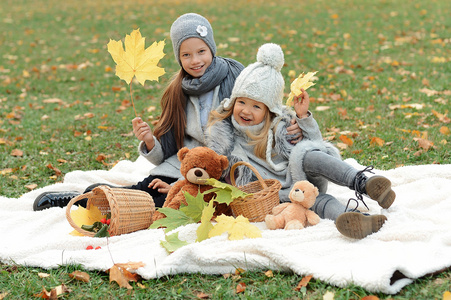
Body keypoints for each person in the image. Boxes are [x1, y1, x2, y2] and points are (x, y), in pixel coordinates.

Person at [33, 13, 302, 211]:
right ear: (179, 57)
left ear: (211, 49)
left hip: (227, 167)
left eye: (201, 51)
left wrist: (290, 125)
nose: (195, 60)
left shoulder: (236, 76)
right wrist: (151, 141)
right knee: (151, 188)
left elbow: (264, 107)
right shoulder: (178, 90)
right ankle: (84, 199)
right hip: (186, 164)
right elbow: (171, 142)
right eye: (186, 55)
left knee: (173, 202)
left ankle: (106, 201)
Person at [206, 43, 396, 239]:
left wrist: (303, 117)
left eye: (256, 106)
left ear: (268, 111)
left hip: (303, 175)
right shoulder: (223, 137)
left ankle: (364, 183)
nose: (246, 110)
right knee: (321, 202)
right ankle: (355, 219)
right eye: (242, 102)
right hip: (280, 196)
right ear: (233, 101)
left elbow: (317, 147)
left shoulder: (281, 126)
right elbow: (213, 169)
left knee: (309, 155)